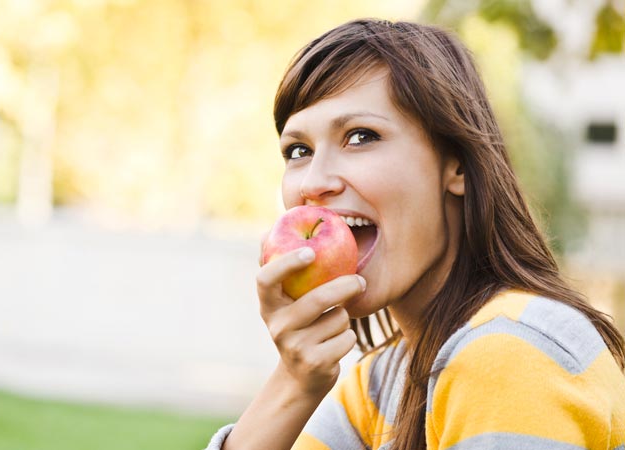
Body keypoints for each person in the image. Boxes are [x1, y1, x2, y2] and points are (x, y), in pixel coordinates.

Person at [205, 18, 625, 450]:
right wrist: (294, 382)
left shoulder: (510, 352)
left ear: (456, 164)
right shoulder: (381, 383)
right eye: (299, 150)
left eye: (360, 136)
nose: (313, 182)